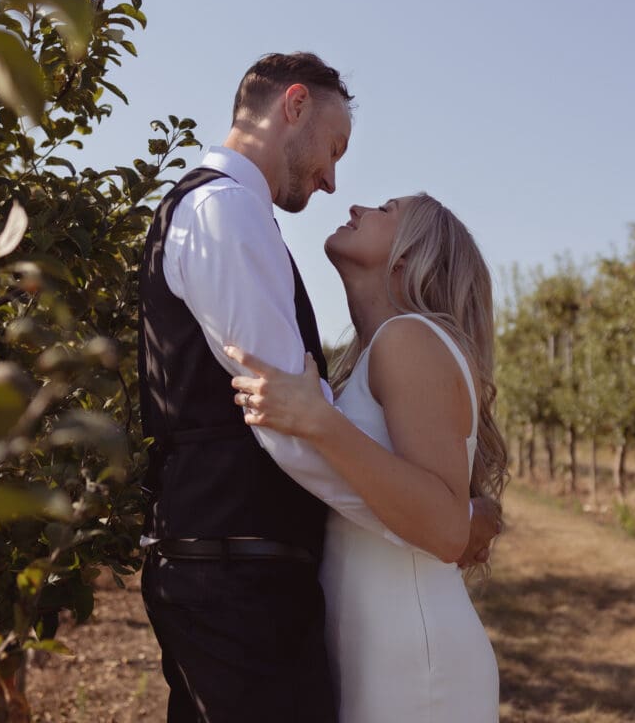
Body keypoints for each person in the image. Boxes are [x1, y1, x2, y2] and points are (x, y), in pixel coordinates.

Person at [138, 52, 501, 723]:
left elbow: (304, 425)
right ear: (294, 105)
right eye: (334, 149)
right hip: (240, 578)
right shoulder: (227, 213)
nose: (336, 184)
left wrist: (439, 523)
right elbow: (289, 429)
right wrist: (435, 526)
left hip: (354, 623)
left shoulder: (398, 342)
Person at [228, 193, 508, 723]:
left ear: (407, 256)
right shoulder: (381, 351)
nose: (356, 206)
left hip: (414, 660)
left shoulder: (409, 339)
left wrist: (319, 422)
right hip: (379, 647)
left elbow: (447, 529)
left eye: (385, 209)